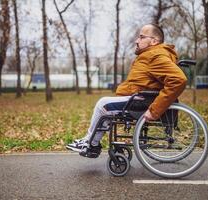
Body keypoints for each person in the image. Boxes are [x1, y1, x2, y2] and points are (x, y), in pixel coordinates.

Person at [66, 24, 187, 158]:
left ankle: (90, 144)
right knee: (108, 107)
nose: (137, 40)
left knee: (103, 104)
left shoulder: (155, 55)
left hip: (142, 101)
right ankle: (92, 143)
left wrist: (155, 110)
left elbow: (178, 79)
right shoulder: (151, 55)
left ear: (154, 41)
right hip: (141, 98)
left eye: (141, 37)